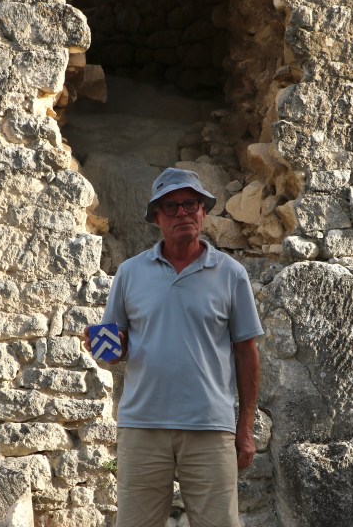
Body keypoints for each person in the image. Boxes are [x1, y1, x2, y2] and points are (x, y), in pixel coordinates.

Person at [84, 167, 263, 527]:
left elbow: (247, 352)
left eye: (190, 204)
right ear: (156, 218)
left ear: (203, 212)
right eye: (171, 206)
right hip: (143, 426)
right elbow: (117, 350)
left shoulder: (231, 274)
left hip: (210, 427)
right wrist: (104, 345)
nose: (182, 213)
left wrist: (245, 426)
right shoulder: (130, 273)